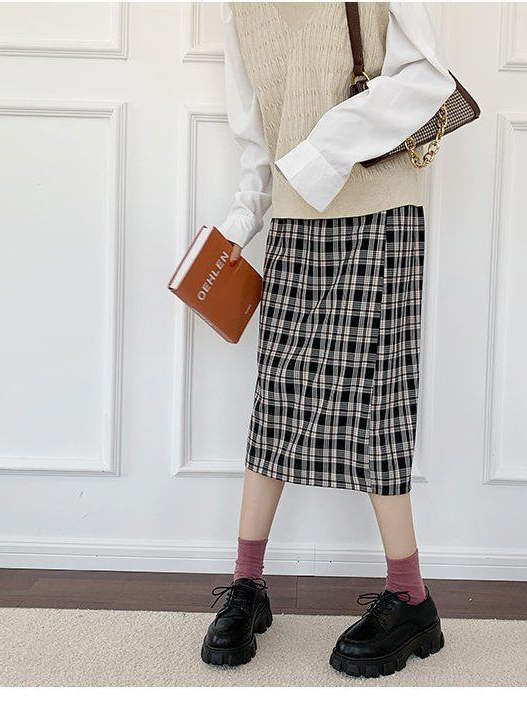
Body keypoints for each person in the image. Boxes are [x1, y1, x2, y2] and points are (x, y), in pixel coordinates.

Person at [200, 2, 455, 678]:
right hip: (294, 216)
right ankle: (247, 586)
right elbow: (257, 134)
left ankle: (411, 597)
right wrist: (239, 224)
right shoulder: (237, 9)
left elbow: (427, 78)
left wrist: (320, 153)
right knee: (278, 398)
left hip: (379, 207)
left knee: (379, 401)